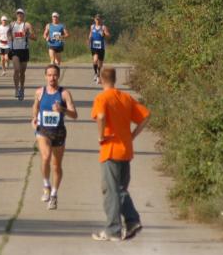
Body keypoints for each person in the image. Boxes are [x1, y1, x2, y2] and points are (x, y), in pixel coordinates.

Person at [90, 66, 150, 241]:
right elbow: (146, 116)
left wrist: (101, 135)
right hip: (126, 149)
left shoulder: (102, 98)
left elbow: (101, 117)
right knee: (120, 189)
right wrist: (132, 135)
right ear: (115, 79)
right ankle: (132, 222)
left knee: (111, 191)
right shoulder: (125, 97)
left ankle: (113, 230)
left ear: (101, 80)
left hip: (110, 149)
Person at [31, 64, 77, 210]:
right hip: (43, 130)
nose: (52, 78)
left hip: (58, 132)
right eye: (49, 75)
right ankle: (46, 185)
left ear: (59, 76)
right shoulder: (40, 92)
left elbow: (74, 115)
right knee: (45, 157)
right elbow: (35, 106)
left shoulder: (64, 94)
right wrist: (34, 118)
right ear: (45, 76)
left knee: (56, 166)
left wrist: (62, 109)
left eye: (55, 75)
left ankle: (54, 195)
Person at [9, 8, 36, 101]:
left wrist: (27, 35)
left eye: (21, 14)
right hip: (15, 50)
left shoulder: (27, 25)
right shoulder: (12, 24)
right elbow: (8, 35)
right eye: (18, 14)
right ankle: (16, 89)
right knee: (16, 70)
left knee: (22, 72)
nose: (19, 15)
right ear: (16, 15)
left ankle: (22, 87)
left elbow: (35, 37)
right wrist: (10, 37)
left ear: (23, 15)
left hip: (24, 50)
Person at [89, 14, 111, 84]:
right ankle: (95, 73)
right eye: (96, 19)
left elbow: (108, 35)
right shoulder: (92, 26)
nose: (97, 21)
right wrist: (89, 39)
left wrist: (104, 34)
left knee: (100, 64)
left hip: (101, 47)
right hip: (94, 46)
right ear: (94, 19)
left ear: (101, 20)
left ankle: (98, 74)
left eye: (99, 19)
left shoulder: (103, 27)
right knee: (95, 60)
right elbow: (90, 34)